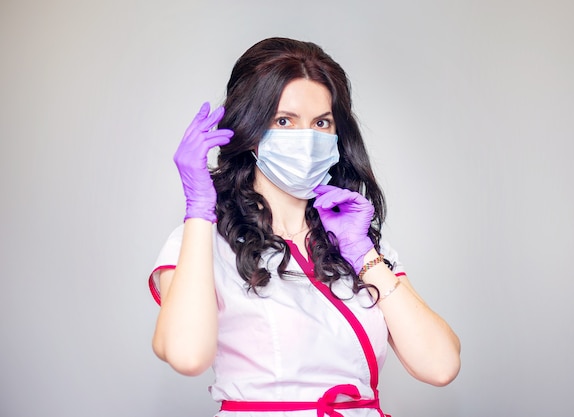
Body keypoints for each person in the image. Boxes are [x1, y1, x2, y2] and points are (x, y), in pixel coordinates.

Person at [149, 37, 461, 417]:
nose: (306, 139)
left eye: (321, 122)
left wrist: (364, 254)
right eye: (284, 121)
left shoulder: (356, 241)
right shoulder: (200, 241)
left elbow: (440, 365)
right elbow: (186, 354)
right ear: (250, 129)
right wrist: (199, 211)